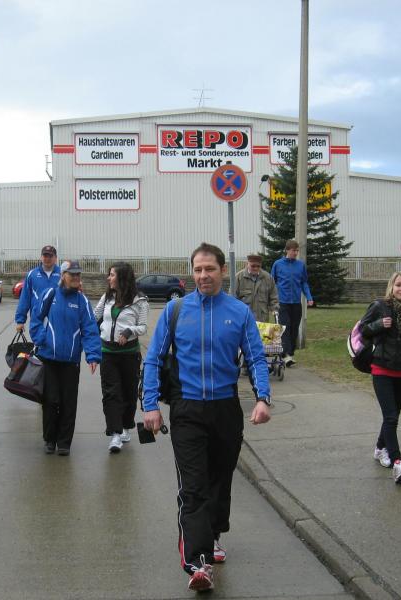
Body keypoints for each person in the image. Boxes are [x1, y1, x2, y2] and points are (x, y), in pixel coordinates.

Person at [143, 242, 271, 593]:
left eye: (210, 269)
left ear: (223, 271)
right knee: (194, 486)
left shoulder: (239, 312)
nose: (203, 276)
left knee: (219, 480)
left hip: (225, 408)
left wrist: (263, 399)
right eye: (197, 270)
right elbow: (153, 359)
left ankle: (213, 534)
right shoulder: (175, 310)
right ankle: (197, 563)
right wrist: (150, 405)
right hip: (187, 409)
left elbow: (256, 358)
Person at [359, 272, 401, 484]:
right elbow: (362, 330)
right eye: (398, 284)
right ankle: (398, 463)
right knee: (391, 417)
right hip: (381, 368)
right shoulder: (379, 306)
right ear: (391, 287)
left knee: (393, 415)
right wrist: (379, 324)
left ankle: (380, 448)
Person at [30, 260, 101, 456]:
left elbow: (90, 329)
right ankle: (49, 439)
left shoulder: (82, 301)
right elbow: (36, 319)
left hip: (71, 361)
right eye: (72, 274)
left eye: (78, 274)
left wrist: (93, 355)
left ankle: (64, 442)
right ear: (63, 275)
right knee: (50, 401)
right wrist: (41, 338)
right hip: (49, 359)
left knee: (68, 403)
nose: (76, 277)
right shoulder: (50, 294)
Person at [95, 262, 149, 454]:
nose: (108, 278)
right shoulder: (107, 297)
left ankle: (126, 427)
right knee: (111, 393)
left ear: (122, 278)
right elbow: (94, 316)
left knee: (128, 393)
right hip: (107, 353)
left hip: (129, 355)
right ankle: (115, 433)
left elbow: (143, 327)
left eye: (112, 275)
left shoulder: (140, 300)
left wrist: (129, 331)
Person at [271, 239, 314, 367]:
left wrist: (309, 297)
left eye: (297, 251)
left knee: (294, 329)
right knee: (285, 327)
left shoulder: (300, 265)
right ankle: (286, 355)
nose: (295, 253)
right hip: (282, 302)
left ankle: (290, 354)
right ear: (287, 250)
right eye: (293, 250)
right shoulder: (278, 264)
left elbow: (304, 282)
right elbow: (272, 282)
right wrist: (272, 300)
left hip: (295, 302)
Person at [15, 245, 61, 335]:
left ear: (55, 258)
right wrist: (20, 321)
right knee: (39, 342)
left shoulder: (63, 274)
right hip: (38, 321)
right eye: (45, 256)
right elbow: (25, 298)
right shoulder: (32, 275)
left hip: (58, 320)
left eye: (50, 256)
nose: (47, 259)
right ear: (41, 257)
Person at [234, 253, 279, 323]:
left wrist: (275, 309)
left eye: (258, 266)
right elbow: (233, 297)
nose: (256, 268)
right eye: (253, 266)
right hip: (244, 318)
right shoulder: (238, 278)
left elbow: (273, 296)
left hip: (262, 319)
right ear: (247, 264)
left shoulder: (268, 278)